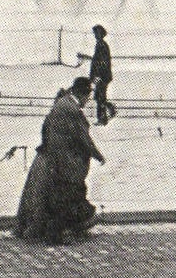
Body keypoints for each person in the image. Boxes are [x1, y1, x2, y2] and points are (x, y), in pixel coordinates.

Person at [15, 77, 105, 244]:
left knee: (54, 196)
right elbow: (83, 137)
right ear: (82, 94)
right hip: (64, 161)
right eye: (87, 97)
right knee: (66, 196)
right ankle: (59, 233)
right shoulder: (72, 109)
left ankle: (63, 228)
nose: (87, 101)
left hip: (52, 157)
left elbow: (46, 129)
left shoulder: (61, 104)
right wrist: (98, 155)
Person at [89, 25, 116, 126]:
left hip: (102, 76)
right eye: (95, 33)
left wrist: (98, 76)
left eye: (96, 33)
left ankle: (103, 118)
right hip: (102, 76)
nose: (95, 35)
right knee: (99, 97)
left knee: (100, 97)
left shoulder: (102, 45)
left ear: (101, 34)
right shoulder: (100, 44)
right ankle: (109, 110)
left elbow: (102, 63)